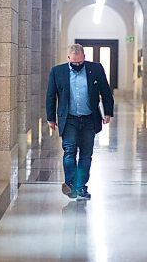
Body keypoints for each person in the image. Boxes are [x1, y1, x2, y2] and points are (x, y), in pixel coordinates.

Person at [46, 44, 114, 200]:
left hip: (89, 118)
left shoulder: (95, 69)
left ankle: (81, 186)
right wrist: (51, 118)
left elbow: (105, 91)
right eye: (74, 62)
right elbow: (51, 95)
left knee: (86, 154)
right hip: (69, 118)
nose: (77, 65)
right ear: (68, 58)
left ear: (84, 58)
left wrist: (108, 112)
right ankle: (71, 184)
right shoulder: (58, 72)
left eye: (80, 62)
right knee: (69, 151)